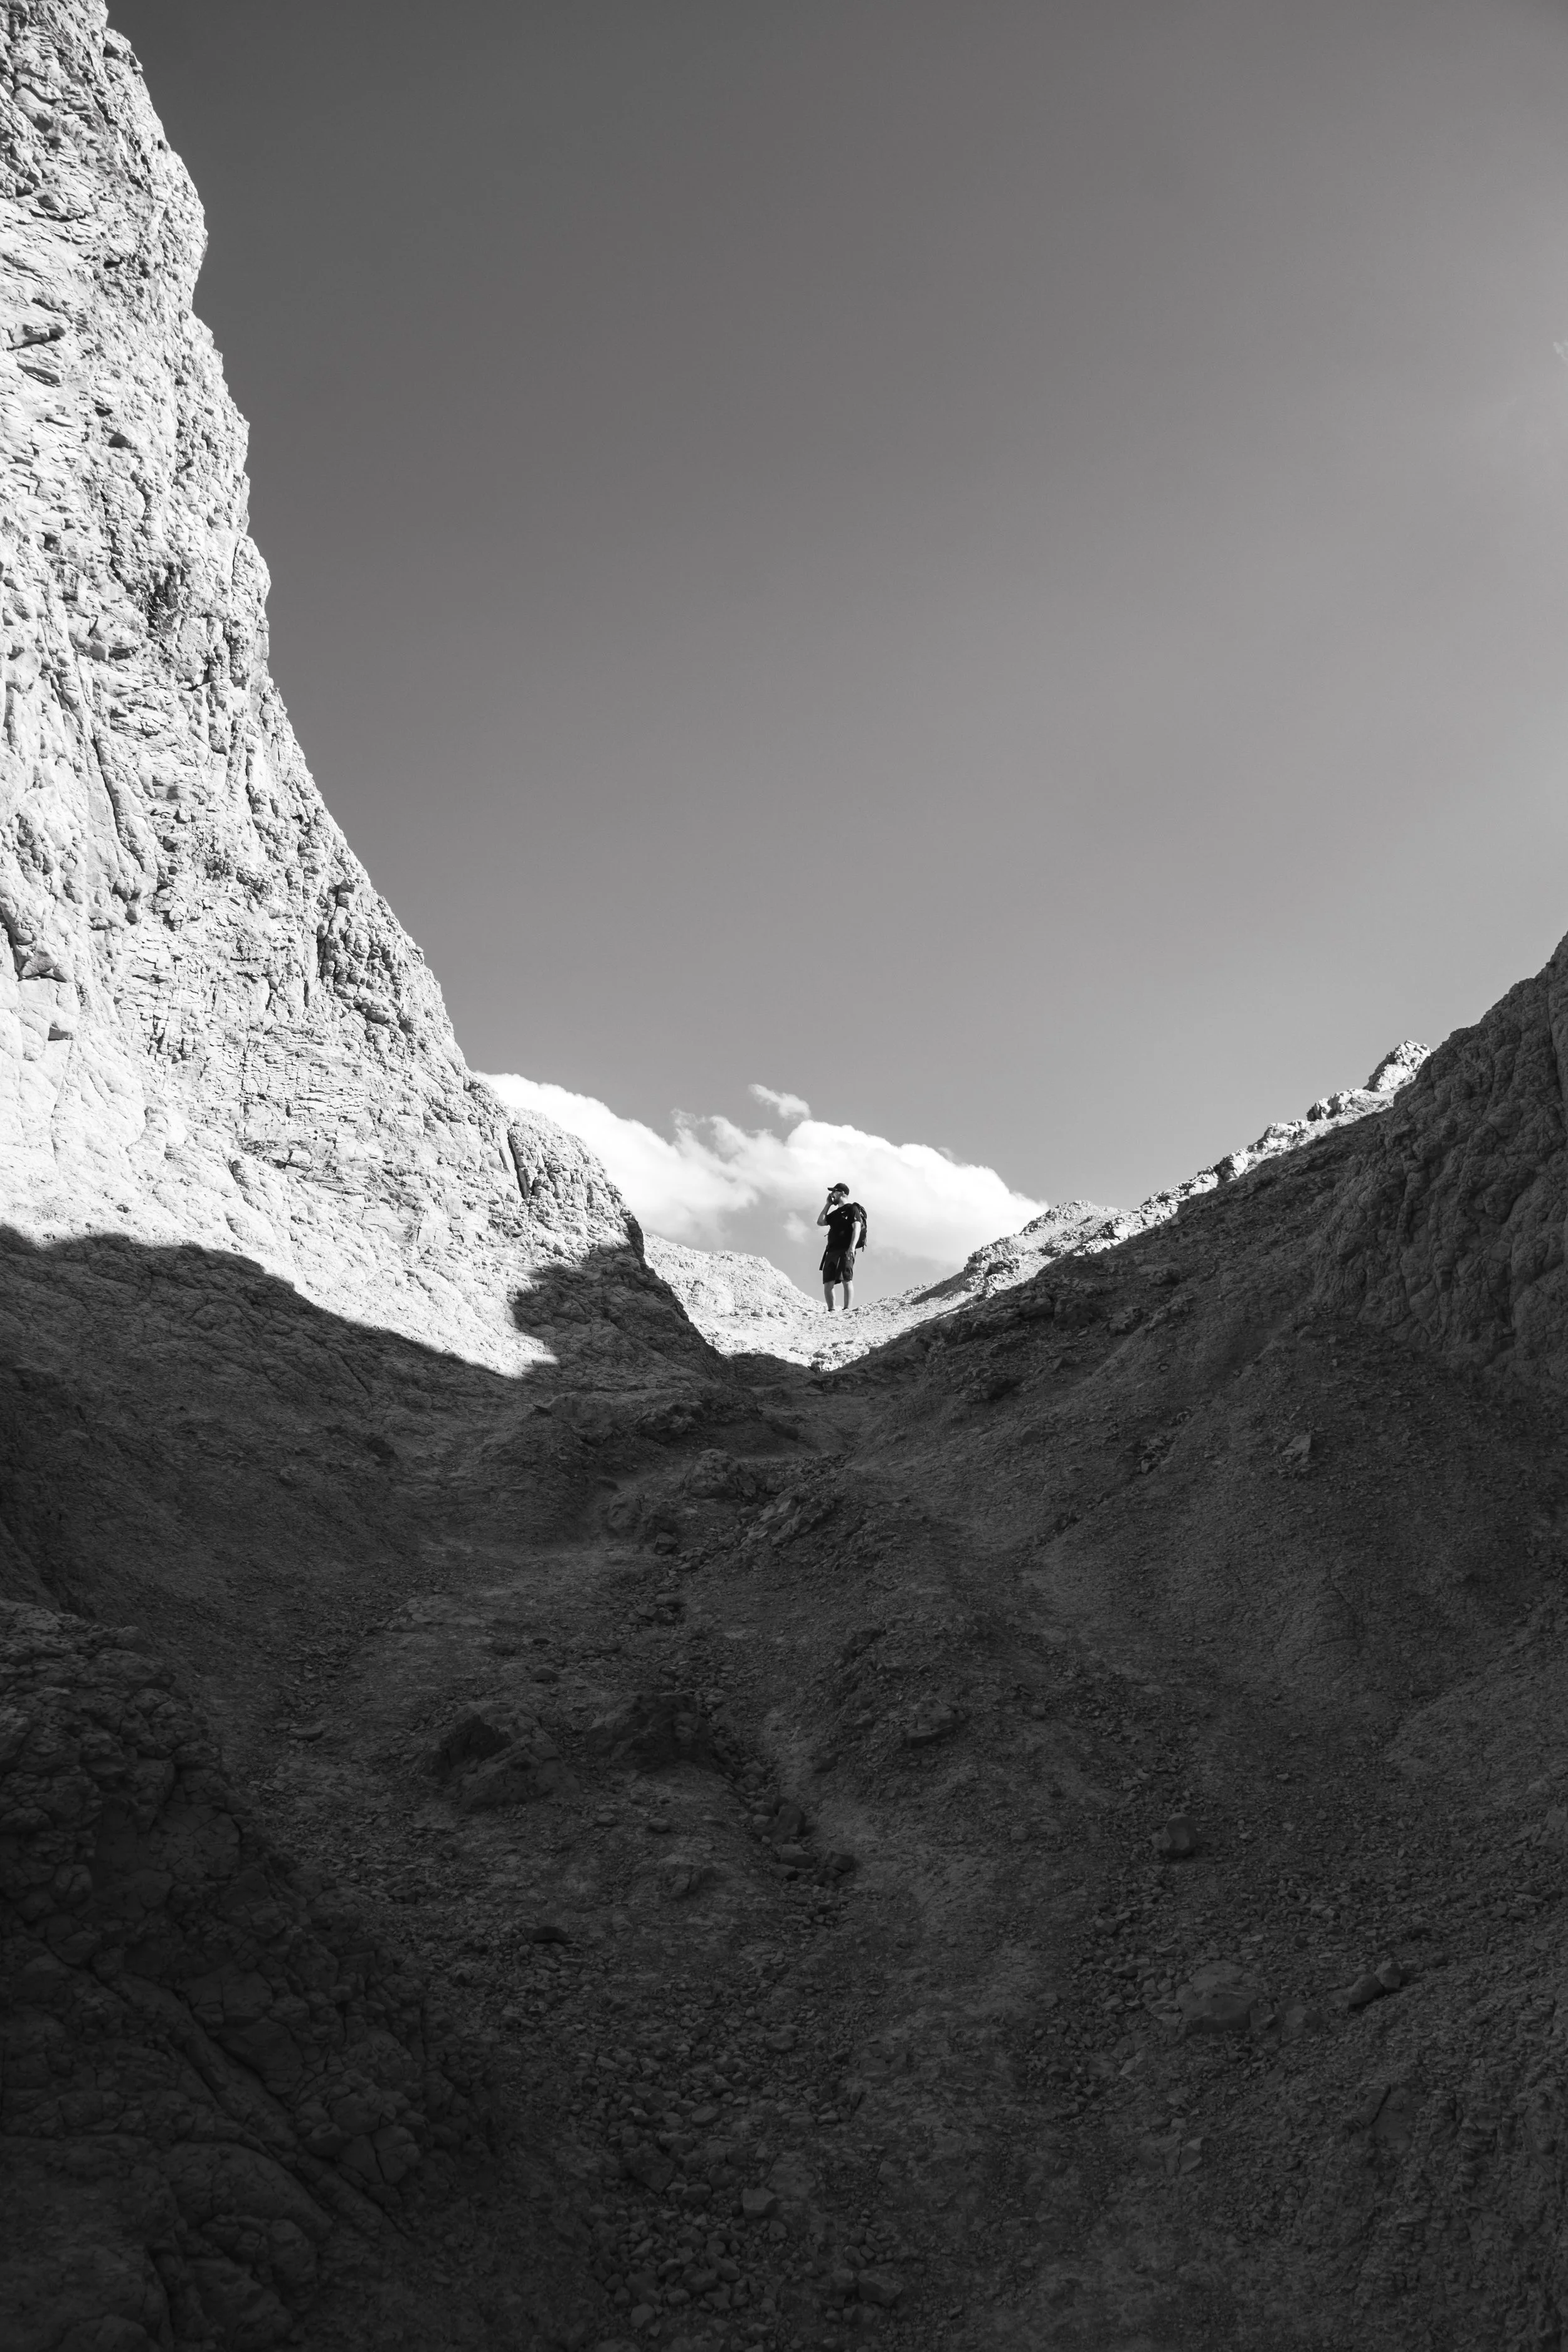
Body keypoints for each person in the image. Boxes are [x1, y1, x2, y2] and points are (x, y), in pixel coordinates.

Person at [817, 1182, 867, 1311]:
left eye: (834, 1191)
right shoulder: (835, 1213)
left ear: (842, 1193)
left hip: (846, 1249)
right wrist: (828, 1204)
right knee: (828, 1282)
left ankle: (847, 1310)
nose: (832, 1194)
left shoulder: (852, 1209)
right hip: (832, 1250)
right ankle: (831, 1310)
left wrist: (852, 1247)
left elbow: (856, 1228)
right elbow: (821, 1222)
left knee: (846, 1279)